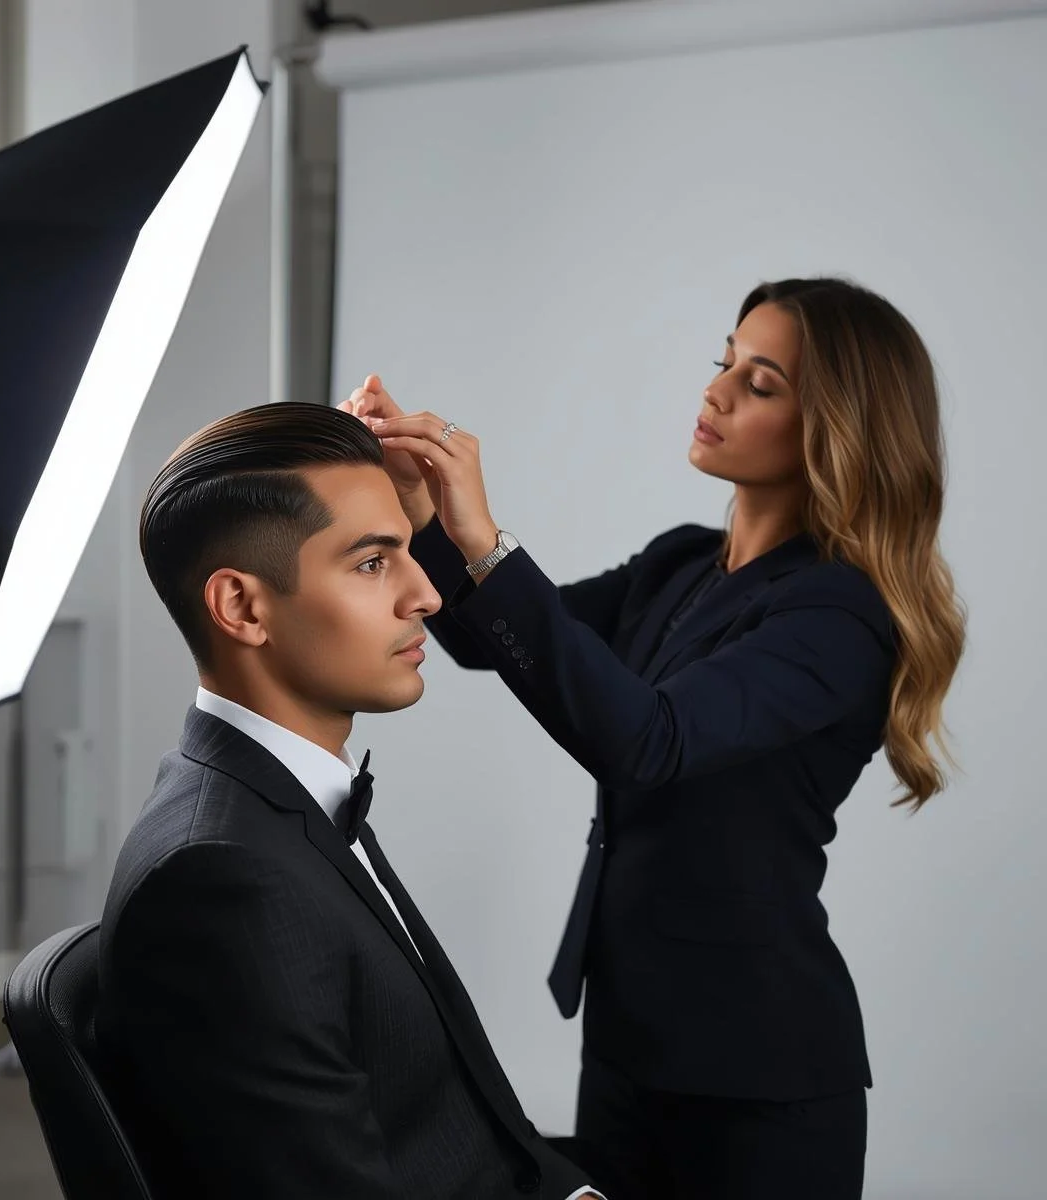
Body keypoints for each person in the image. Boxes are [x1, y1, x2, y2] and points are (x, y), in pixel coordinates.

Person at [341, 276, 967, 1200]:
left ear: (835, 429)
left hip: (760, 1080)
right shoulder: (679, 562)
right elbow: (493, 641)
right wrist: (421, 510)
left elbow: (647, 742)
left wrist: (487, 538)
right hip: (631, 1039)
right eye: (725, 362)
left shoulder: (839, 615)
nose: (715, 390)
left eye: (760, 383)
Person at [94, 402, 604, 1200]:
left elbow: (455, 1127)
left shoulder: (282, 801)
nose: (426, 594)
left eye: (406, 552)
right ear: (243, 608)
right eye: (372, 563)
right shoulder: (224, 879)